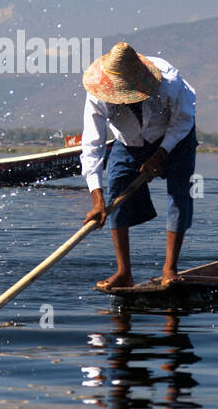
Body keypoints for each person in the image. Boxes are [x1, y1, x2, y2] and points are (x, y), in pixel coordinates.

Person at [80, 42, 197, 289]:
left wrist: (161, 153)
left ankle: (170, 268)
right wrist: (97, 199)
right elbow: (92, 145)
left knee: (179, 195)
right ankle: (124, 273)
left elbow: (183, 120)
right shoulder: (97, 92)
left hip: (175, 138)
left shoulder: (170, 82)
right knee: (116, 188)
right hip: (128, 141)